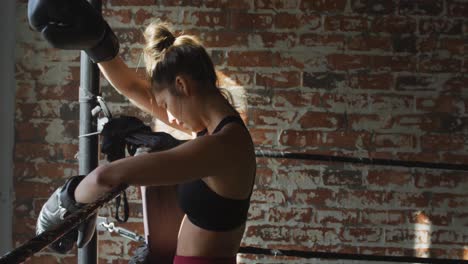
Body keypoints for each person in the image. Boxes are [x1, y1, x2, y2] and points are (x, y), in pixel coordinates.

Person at [28, 0, 256, 263]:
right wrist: (99, 44)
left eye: (166, 106)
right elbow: (133, 87)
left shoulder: (223, 147)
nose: (169, 117)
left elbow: (107, 177)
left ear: (181, 85)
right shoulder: (215, 129)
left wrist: (63, 203)